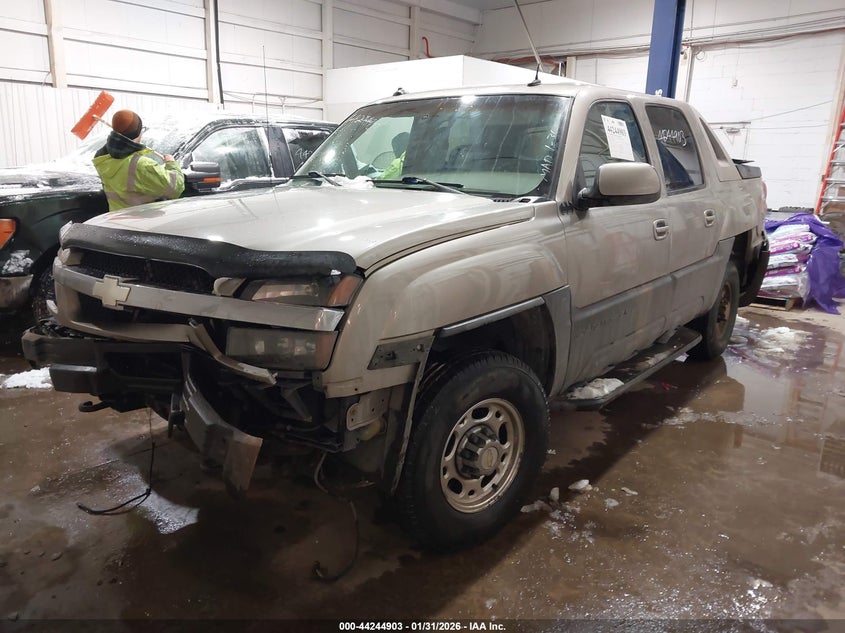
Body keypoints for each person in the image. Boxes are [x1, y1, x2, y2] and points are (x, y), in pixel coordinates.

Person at [93, 109, 185, 211]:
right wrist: (171, 163)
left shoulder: (102, 158)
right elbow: (176, 188)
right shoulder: (142, 165)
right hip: (141, 221)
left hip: (116, 219)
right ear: (138, 132)